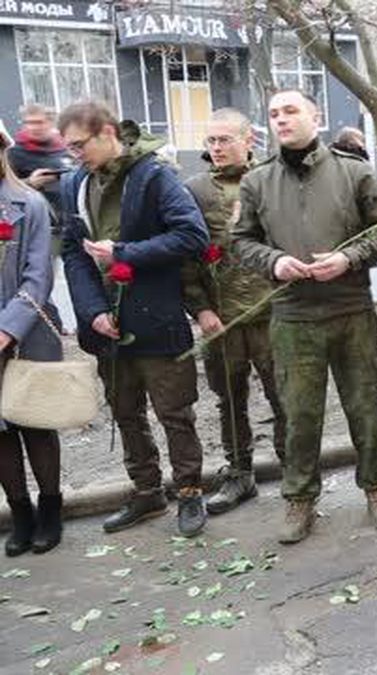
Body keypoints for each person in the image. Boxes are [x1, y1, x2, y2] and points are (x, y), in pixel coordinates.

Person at [232, 90, 377, 544]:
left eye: (291, 111)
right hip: (293, 317)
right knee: (300, 414)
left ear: (316, 116)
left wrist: (350, 258)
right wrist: (274, 262)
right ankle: (300, 498)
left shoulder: (354, 171)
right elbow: (241, 240)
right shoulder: (257, 180)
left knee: (366, 406)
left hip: (351, 310)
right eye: (274, 114)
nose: (281, 120)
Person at [58, 101, 210, 537]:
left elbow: (192, 235)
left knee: (174, 413)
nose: (74, 155)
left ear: (108, 132)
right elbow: (73, 251)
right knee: (126, 412)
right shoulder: (75, 183)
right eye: (69, 148)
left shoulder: (155, 175)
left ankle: (189, 491)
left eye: (80, 145)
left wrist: (124, 253)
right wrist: (92, 311)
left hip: (157, 319)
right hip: (107, 326)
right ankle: (147, 493)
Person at [181, 109, 289, 515]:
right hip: (221, 320)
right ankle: (240, 473)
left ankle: (294, 470)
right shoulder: (194, 190)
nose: (217, 147)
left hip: (272, 313)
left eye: (225, 139)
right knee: (229, 400)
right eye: (210, 140)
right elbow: (187, 256)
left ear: (248, 140)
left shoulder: (271, 179)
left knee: (284, 396)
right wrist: (200, 309)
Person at [0, 132, 65, 556]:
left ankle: (51, 509)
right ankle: (20, 513)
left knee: (36, 422)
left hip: (29, 332)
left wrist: (7, 329)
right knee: (0, 432)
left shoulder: (30, 204)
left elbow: (39, 275)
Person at [6, 104, 73, 223]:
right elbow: (5, 190)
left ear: (50, 123)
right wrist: (30, 183)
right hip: (36, 221)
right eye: (29, 123)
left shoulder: (66, 148)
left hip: (70, 217)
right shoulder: (13, 153)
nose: (34, 127)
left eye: (39, 122)